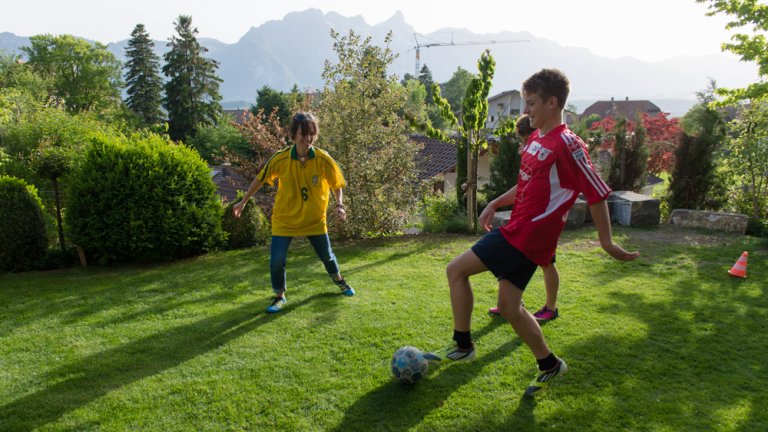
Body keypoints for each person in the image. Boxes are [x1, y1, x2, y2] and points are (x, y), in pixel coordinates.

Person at [424, 69, 639, 397]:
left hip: (526, 236)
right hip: (518, 232)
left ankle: (463, 345)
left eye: (531, 103)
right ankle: (550, 364)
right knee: (510, 308)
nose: (526, 111)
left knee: (455, 269)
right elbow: (526, 182)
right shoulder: (538, 137)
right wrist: (495, 203)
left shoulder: (568, 144)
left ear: (553, 102)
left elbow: (596, 191)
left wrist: (606, 242)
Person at [233, 112, 355, 313]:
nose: (308, 139)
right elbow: (260, 178)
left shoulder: (323, 159)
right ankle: (279, 296)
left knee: (327, 256)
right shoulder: (280, 159)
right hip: (285, 220)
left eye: (311, 134)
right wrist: (244, 201)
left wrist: (339, 205)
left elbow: (336, 184)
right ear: (293, 134)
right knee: (276, 261)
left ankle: (339, 280)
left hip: (314, 219)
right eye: (303, 134)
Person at [488, 114, 560, 323]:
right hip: (523, 217)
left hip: (543, 220)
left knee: (547, 263)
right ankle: (510, 303)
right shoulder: (531, 152)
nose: (525, 144)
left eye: (526, 139)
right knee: (512, 258)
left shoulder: (550, 148)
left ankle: (551, 307)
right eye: (523, 141)